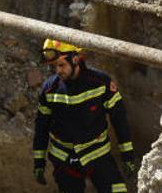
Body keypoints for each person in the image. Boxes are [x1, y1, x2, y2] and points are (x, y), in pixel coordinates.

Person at [33, 39, 137, 193]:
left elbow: (119, 120)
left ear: (75, 59)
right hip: (64, 160)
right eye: (54, 66)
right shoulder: (49, 89)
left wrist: (128, 155)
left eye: (61, 65)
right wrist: (38, 162)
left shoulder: (101, 83)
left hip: (98, 155)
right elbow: (41, 126)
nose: (58, 71)